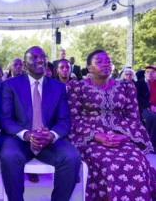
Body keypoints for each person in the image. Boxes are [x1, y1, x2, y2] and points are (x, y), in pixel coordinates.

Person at [67, 49, 156, 200]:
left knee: (136, 163)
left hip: (123, 136)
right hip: (90, 138)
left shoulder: (126, 87)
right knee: (111, 165)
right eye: (99, 62)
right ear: (89, 67)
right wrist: (96, 136)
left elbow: (133, 117)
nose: (105, 64)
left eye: (108, 61)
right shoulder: (77, 87)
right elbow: (73, 118)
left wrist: (123, 136)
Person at [0, 46, 81, 201]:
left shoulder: (58, 87)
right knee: (9, 156)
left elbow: (64, 120)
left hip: (48, 141)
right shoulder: (10, 85)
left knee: (72, 157)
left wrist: (52, 135)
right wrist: (27, 134)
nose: (40, 60)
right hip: (18, 139)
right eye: (34, 57)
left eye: (43, 57)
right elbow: (5, 119)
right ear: (24, 65)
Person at [135, 65, 156, 150]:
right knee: (152, 117)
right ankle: (151, 143)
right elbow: (138, 98)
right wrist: (150, 106)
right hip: (144, 107)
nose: (150, 74)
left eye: (152, 72)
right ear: (144, 74)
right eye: (147, 72)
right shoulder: (139, 83)